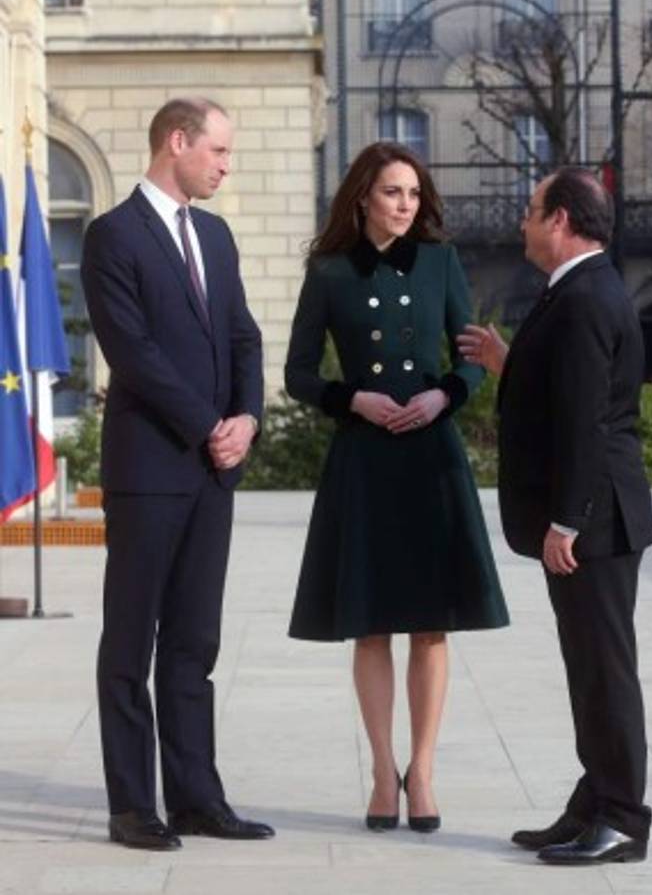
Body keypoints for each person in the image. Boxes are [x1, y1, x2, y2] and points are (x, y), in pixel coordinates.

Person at [285, 141, 509, 833]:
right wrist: (352, 401)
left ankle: (426, 771)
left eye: (413, 193)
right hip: (365, 457)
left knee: (431, 623)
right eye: (392, 192)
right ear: (363, 197)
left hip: (430, 457)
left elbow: (472, 360)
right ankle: (384, 772)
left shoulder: (441, 264)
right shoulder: (327, 272)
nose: (406, 205)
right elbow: (297, 373)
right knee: (373, 623)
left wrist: (446, 397)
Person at [81, 97, 274, 850]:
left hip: (211, 474)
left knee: (195, 643)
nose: (227, 165)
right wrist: (208, 427)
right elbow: (133, 355)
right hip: (150, 470)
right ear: (178, 141)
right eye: (219, 152)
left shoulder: (217, 238)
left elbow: (244, 338)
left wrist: (247, 420)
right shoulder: (112, 236)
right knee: (132, 643)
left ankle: (197, 798)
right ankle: (133, 806)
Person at [458, 166, 652, 865]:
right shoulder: (578, 290)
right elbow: (564, 391)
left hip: (596, 518)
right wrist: (509, 362)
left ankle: (624, 818)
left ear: (562, 222)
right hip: (596, 512)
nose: (523, 220)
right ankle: (594, 802)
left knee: (605, 670)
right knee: (589, 666)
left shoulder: (583, 299)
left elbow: (584, 423)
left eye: (532, 209)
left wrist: (566, 520)